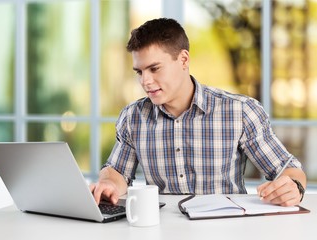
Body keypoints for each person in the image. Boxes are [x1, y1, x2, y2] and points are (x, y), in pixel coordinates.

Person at [89, 18, 306, 207]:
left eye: (154, 69)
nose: (145, 81)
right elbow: (116, 171)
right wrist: (108, 184)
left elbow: (289, 171)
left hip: (226, 229)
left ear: (183, 59)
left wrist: (293, 187)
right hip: (162, 230)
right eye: (139, 71)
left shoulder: (240, 111)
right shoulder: (133, 117)